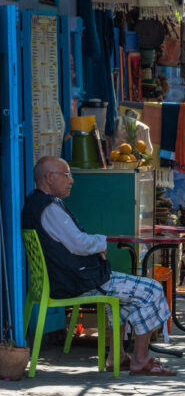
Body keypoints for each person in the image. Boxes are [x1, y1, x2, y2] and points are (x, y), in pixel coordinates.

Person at [21, 157, 175, 376]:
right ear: (48, 178)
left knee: (129, 294)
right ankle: (140, 361)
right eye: (66, 175)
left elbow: (75, 242)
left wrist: (95, 246)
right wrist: (101, 243)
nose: (71, 180)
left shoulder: (36, 204)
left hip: (67, 279)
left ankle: (117, 357)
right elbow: (79, 244)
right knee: (151, 289)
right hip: (77, 281)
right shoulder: (49, 208)